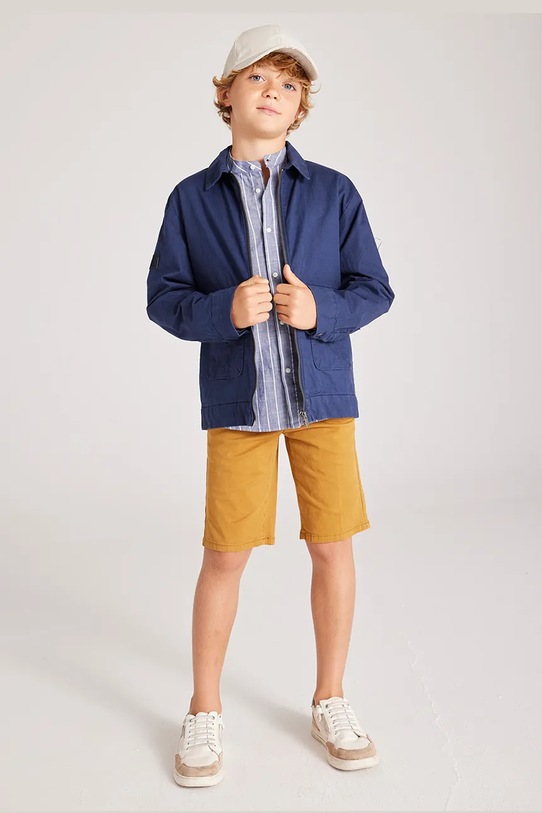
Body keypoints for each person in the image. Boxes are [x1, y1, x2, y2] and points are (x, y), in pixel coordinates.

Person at [146, 23, 395, 788]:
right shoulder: (191, 199)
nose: (273, 92)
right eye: (257, 77)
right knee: (225, 554)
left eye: (288, 84)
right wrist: (225, 309)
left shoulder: (335, 192)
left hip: (324, 401)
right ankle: (204, 707)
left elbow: (374, 288)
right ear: (226, 95)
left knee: (333, 545)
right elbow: (163, 297)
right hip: (238, 403)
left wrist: (320, 310)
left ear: (301, 107)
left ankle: (330, 698)